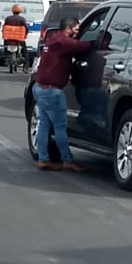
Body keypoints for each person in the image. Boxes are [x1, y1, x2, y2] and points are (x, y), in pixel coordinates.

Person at [33, 18, 93, 172]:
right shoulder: (62, 42)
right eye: (77, 30)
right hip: (52, 91)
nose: (78, 33)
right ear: (68, 28)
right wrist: (96, 42)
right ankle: (68, 160)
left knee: (44, 124)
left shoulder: (53, 39)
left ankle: (43, 159)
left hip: (40, 88)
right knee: (60, 126)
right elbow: (81, 46)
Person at [71, 22, 109, 131]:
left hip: (91, 87)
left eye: (101, 39)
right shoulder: (90, 51)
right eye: (97, 38)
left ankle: (87, 119)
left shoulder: (93, 52)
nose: (97, 41)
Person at [3, 4, 29, 71]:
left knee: (5, 45)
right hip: (19, 39)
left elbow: (4, 28)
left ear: (12, 10)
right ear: (20, 11)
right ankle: (25, 67)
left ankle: (6, 56)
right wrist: (25, 34)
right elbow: (26, 28)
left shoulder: (8, 18)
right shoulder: (22, 19)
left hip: (9, 39)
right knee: (25, 51)